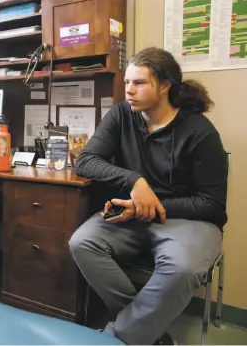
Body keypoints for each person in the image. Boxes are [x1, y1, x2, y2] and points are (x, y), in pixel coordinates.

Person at [69, 47, 228, 345]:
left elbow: (212, 205)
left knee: (182, 268)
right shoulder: (121, 115)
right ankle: (151, 334)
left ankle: (118, 337)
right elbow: (85, 160)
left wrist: (153, 206)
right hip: (133, 213)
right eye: (127, 82)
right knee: (83, 242)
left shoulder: (200, 132)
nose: (128, 90)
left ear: (165, 86)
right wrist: (134, 180)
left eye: (139, 83)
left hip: (187, 218)